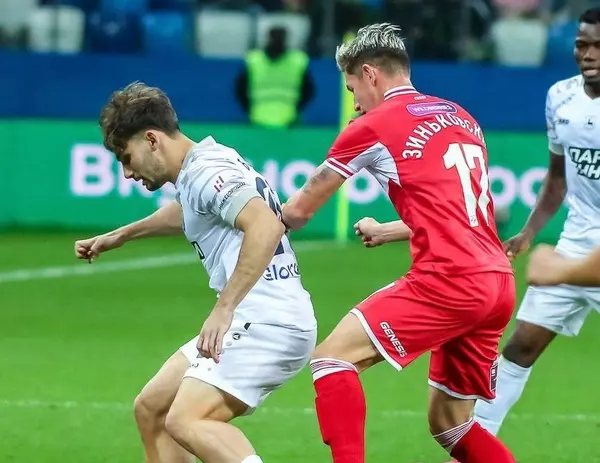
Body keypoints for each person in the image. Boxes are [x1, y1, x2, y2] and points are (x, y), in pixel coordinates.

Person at [281, 22, 516, 463]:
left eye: (353, 88)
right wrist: (390, 229)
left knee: (333, 359)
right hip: (497, 282)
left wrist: (245, 217)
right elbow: (461, 211)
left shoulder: (373, 125)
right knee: (451, 423)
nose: (355, 102)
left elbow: (298, 212)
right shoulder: (460, 116)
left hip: (450, 279)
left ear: (370, 75)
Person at [74, 82, 317, 463]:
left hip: (267, 321)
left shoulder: (206, 172)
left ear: (152, 140)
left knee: (187, 419)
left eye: (126, 157)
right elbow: (190, 210)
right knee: (152, 409)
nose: (127, 173)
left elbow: (266, 225)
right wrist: (121, 235)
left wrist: (224, 308)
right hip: (266, 316)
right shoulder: (205, 162)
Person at [470, 6, 600, 440]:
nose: (589, 54)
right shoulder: (560, 97)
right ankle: (476, 445)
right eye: (582, 45)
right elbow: (557, 178)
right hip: (575, 246)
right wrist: (529, 232)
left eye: (598, 46)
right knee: (521, 344)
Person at [235, 26, 314, 128]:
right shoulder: (297, 61)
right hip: (288, 119)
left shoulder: (254, 60)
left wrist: (248, 109)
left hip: (259, 118)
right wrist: (298, 109)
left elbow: (240, 89)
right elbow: (308, 91)